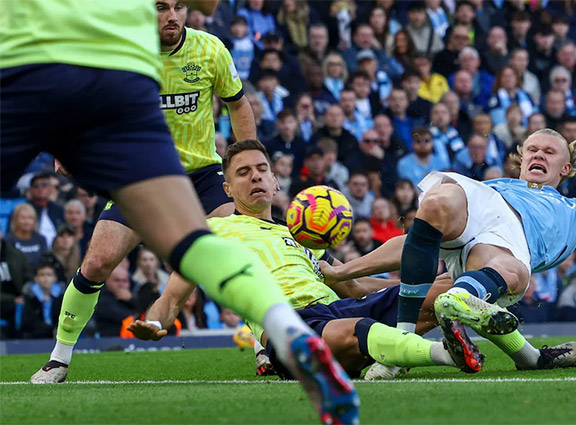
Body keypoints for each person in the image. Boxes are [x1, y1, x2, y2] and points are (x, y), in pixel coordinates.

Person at [3, 1, 357, 420]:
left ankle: (272, 340)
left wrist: (244, 161)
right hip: (131, 160)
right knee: (102, 260)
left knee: (236, 242)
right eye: (160, 8)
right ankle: (60, 358)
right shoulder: (120, 41)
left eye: (178, 7)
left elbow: (238, 103)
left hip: (195, 173)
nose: (171, 15)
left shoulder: (207, 50)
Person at [131, 139, 482, 380]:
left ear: (275, 182)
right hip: (290, 325)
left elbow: (353, 286)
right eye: (242, 172)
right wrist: (156, 325)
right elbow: (172, 297)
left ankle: (523, 354)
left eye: (261, 169)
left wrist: (417, 285)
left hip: (338, 309)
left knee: (452, 288)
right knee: (355, 331)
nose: (254, 176)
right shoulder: (214, 231)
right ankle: (445, 354)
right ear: (227, 189)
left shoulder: (304, 235)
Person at [323, 127, 576, 376]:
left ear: (566, 169)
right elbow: (412, 244)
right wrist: (344, 270)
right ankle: (404, 342)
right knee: (436, 201)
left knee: (507, 274)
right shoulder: (490, 187)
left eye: (550, 152)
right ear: (521, 159)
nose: (538, 155)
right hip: (480, 212)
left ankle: (454, 316)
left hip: (503, 248)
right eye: (532, 149)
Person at [4, 203, 48, 270]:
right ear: (15, 220)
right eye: (23, 218)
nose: (27, 221)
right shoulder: (8, 240)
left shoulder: (41, 239)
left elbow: (45, 262)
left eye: (30, 218)